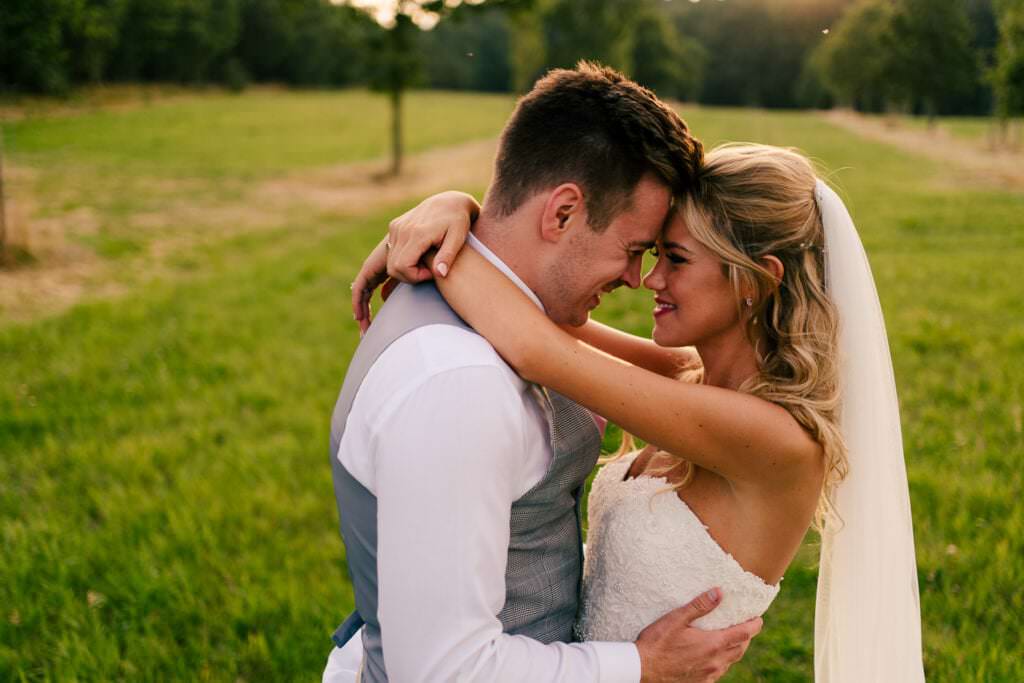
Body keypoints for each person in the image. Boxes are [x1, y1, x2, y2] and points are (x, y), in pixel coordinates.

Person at [353, 143, 925, 681]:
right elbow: (551, 313)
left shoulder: (774, 439)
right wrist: (459, 211)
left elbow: (535, 345)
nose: (651, 278)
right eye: (653, 254)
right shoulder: (684, 377)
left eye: (675, 259)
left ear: (757, 279)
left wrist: (443, 244)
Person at [326, 63, 762, 683]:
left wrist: (460, 208)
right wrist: (641, 667)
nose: (638, 278)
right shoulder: (459, 388)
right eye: (635, 249)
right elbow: (444, 671)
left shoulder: (508, 308)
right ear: (561, 214)